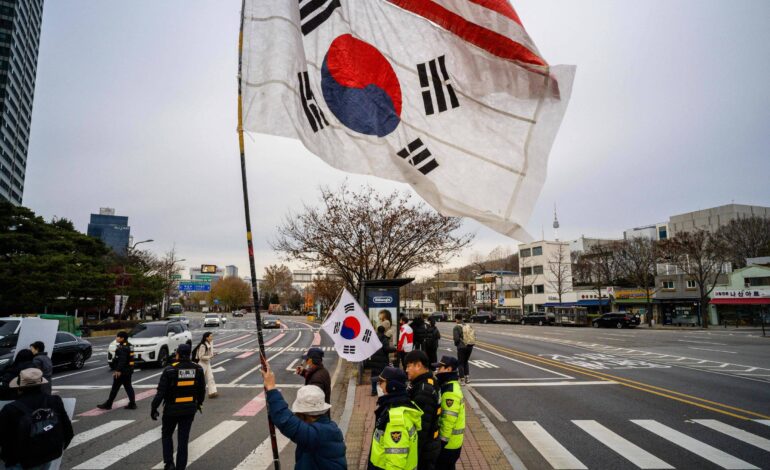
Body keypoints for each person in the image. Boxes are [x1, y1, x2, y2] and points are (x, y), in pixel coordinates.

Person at [261, 362, 347, 469]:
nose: (296, 416)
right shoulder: (326, 428)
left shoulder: (317, 434)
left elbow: (285, 420)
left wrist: (271, 387)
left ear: (304, 414)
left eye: (298, 413)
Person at [0, 368, 74, 470]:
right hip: (48, 455)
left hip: (21, 462)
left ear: (19, 388)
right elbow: (68, 430)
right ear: (40, 384)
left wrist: (7, 458)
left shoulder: (11, 409)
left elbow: (3, 438)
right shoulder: (54, 401)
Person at [150, 343, 206, 470]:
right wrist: (199, 403)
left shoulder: (170, 370)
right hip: (189, 409)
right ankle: (181, 467)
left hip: (171, 409)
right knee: (183, 439)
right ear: (189, 354)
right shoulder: (198, 369)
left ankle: (169, 463)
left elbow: (161, 393)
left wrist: (154, 408)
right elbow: (202, 390)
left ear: (178, 354)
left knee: (167, 434)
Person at [368, 367, 423, 470]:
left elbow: (395, 463)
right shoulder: (397, 405)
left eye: (381, 382)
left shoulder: (396, 419)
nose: (379, 386)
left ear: (392, 386)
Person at [405, 350, 441, 470]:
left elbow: (421, 428)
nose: (406, 370)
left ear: (418, 365)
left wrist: (413, 455)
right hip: (430, 445)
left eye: (409, 366)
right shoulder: (427, 381)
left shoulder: (424, 390)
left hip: (425, 450)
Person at [433, 356, 466, 469]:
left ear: (448, 369)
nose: (437, 371)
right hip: (452, 443)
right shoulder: (449, 385)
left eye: (440, 368)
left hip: (448, 445)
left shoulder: (450, 392)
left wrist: (441, 444)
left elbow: (448, 420)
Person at [98, 331, 136, 410]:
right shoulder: (130, 345)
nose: (116, 338)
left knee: (115, 388)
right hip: (129, 370)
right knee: (128, 387)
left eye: (117, 337)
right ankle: (132, 404)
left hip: (122, 371)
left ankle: (108, 404)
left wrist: (118, 370)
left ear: (122, 338)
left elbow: (122, 360)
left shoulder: (122, 348)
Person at [369, 326, 395, 396]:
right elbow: (387, 349)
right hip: (383, 359)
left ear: (377, 331)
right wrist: (394, 349)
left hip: (374, 359)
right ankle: (383, 390)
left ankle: (374, 391)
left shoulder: (373, 339)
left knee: (374, 374)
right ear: (384, 331)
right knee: (383, 375)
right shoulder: (384, 339)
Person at [194, 332, 218, 398]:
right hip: (201, 363)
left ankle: (212, 392)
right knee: (199, 379)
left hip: (207, 362)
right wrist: (210, 356)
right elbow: (200, 357)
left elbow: (210, 352)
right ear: (206, 338)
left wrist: (212, 354)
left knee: (210, 377)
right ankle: (195, 393)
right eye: (211, 336)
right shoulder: (203, 345)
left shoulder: (210, 342)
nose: (212, 337)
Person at [452, 316, 475, 384]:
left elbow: (456, 338)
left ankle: (462, 380)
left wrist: (457, 345)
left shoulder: (456, 327)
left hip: (462, 346)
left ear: (457, 319)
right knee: (466, 361)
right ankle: (467, 378)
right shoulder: (468, 326)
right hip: (470, 345)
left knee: (460, 363)